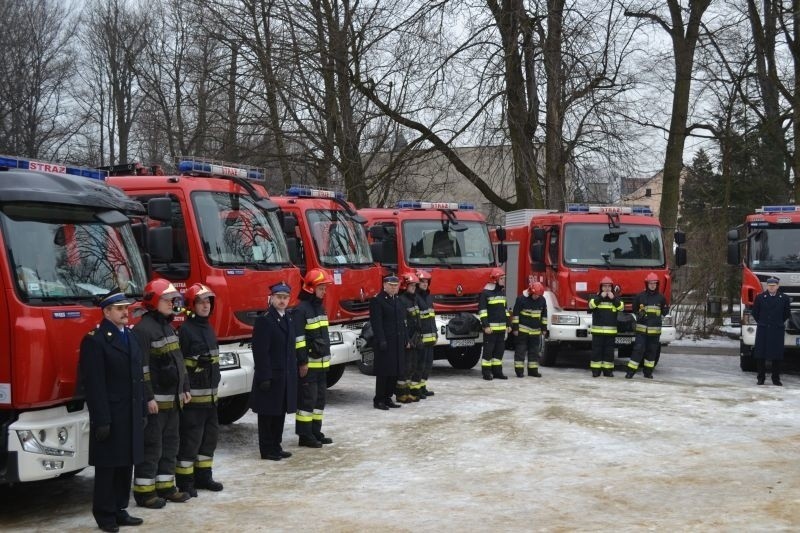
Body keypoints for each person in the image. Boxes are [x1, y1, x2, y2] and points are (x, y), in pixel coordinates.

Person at [79, 288, 146, 532]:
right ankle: (105, 514)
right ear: (106, 312)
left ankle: (119, 508)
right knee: (108, 467)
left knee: (125, 463)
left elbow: (138, 376)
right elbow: (94, 385)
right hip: (111, 414)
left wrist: (142, 410)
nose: (125, 312)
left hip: (129, 411)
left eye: (126, 308)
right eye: (119, 309)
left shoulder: (130, 336)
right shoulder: (95, 340)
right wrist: (102, 419)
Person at [131, 279, 191, 507]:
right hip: (156, 402)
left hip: (173, 401)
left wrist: (185, 387)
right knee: (152, 447)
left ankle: (166, 487)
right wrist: (148, 397)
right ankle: (145, 493)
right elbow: (142, 368)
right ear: (155, 301)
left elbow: (178, 361)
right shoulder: (143, 330)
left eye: (174, 300)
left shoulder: (167, 326)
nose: (172, 304)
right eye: (168, 300)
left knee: (170, 445)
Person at [176, 284, 223, 497]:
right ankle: (185, 481)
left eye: (208, 302)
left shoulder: (208, 328)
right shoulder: (185, 330)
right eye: (201, 302)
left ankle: (204, 476)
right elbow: (181, 366)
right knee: (190, 440)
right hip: (193, 399)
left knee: (209, 438)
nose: (206, 306)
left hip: (211, 398)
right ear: (191, 305)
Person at [251, 282, 299, 460]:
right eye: (279, 297)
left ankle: (276, 446)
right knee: (267, 414)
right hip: (270, 375)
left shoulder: (288, 317)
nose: (282, 301)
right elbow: (260, 350)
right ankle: (267, 449)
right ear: (272, 298)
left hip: (285, 375)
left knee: (279, 412)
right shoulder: (265, 320)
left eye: (285, 298)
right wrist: (264, 375)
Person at [294, 269, 334, 449]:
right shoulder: (301, 310)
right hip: (309, 365)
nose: (324, 292)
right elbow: (299, 339)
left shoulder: (319, 307)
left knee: (319, 400)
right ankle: (305, 435)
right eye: (321, 288)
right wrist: (302, 362)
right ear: (310, 288)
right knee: (307, 401)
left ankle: (315, 431)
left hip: (322, 363)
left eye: (325, 288)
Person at [370, 275, 407, 410]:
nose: (393, 288)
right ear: (384, 285)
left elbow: (402, 322)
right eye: (391, 285)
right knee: (384, 372)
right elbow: (377, 323)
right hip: (385, 342)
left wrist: (405, 339)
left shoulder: (397, 300)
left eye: (395, 286)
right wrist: (381, 340)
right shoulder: (377, 300)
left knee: (394, 372)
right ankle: (379, 399)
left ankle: (388, 397)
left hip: (397, 342)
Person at [625, 273, 667, 379]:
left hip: (655, 332)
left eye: (654, 283)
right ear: (647, 284)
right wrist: (639, 314)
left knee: (651, 352)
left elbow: (665, 311)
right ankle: (630, 372)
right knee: (638, 350)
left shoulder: (661, 297)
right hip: (642, 330)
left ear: (657, 284)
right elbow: (634, 309)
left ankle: (648, 372)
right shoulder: (640, 296)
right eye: (650, 283)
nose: (652, 285)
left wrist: (665, 310)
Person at [752, 276, 791, 386]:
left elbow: (786, 314)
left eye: (774, 286)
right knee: (760, 355)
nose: (771, 288)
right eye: (769, 286)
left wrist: (777, 322)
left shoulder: (784, 298)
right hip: (763, 329)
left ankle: (776, 379)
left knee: (776, 355)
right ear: (767, 286)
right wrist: (763, 322)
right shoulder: (760, 297)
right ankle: (761, 378)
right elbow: (755, 313)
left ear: (778, 286)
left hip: (776, 329)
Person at [478, 268, 511, 380]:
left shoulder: (502, 292)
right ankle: (486, 373)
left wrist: (508, 324)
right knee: (488, 351)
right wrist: (486, 326)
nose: (503, 280)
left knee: (499, 352)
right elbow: (482, 312)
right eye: (501, 278)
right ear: (495, 280)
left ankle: (497, 372)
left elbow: (505, 310)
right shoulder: (485, 293)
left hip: (501, 329)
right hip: (490, 329)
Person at [511, 281, 547, 378]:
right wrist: (515, 328)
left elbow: (544, 315)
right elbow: (516, 315)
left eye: (539, 295)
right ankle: (519, 371)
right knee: (520, 351)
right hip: (522, 331)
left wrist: (544, 328)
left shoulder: (542, 300)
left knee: (534, 351)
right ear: (531, 291)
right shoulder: (521, 299)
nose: (537, 297)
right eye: (535, 295)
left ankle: (533, 370)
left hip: (535, 331)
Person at [589, 276, 623, 377]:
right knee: (596, 351)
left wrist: (613, 299)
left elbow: (621, 307)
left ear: (612, 287)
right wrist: (600, 297)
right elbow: (591, 306)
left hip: (610, 332)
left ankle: (608, 371)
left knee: (609, 352)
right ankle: (596, 371)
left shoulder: (615, 298)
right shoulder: (595, 297)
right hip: (597, 331)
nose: (607, 288)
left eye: (609, 286)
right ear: (601, 287)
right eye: (605, 286)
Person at [396, 272, 420, 403]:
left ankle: (408, 392)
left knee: (412, 367)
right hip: (407, 340)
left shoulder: (413, 299)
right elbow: (403, 323)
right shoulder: (402, 301)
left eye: (415, 285)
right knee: (404, 368)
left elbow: (416, 320)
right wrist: (407, 340)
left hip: (414, 338)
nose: (414, 288)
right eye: (411, 285)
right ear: (405, 286)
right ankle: (400, 394)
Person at [413, 270, 437, 399]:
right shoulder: (415, 298)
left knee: (427, 364)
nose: (425, 284)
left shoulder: (428, 297)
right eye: (422, 282)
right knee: (419, 364)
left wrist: (435, 334)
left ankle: (422, 386)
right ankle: (415, 389)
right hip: (421, 338)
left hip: (430, 337)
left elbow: (431, 317)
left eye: (426, 282)